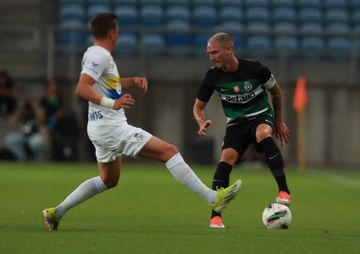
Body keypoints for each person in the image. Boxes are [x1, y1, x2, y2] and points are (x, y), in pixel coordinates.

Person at [42, 13, 242, 231]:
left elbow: (105, 82)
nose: (118, 35)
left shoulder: (94, 54)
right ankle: (212, 197)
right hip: (111, 127)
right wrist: (112, 104)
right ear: (111, 33)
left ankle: (57, 212)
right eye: (117, 32)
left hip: (99, 127)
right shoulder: (100, 55)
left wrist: (131, 81)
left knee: (108, 180)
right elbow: (81, 87)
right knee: (169, 151)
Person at [192, 32, 292, 229]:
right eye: (209, 53)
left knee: (262, 134)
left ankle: (284, 191)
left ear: (229, 49)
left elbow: (276, 91)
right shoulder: (213, 76)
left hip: (261, 114)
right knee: (227, 157)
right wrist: (200, 121)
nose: (211, 58)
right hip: (236, 123)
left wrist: (278, 121)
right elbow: (197, 107)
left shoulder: (255, 69)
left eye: (215, 52)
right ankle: (215, 217)